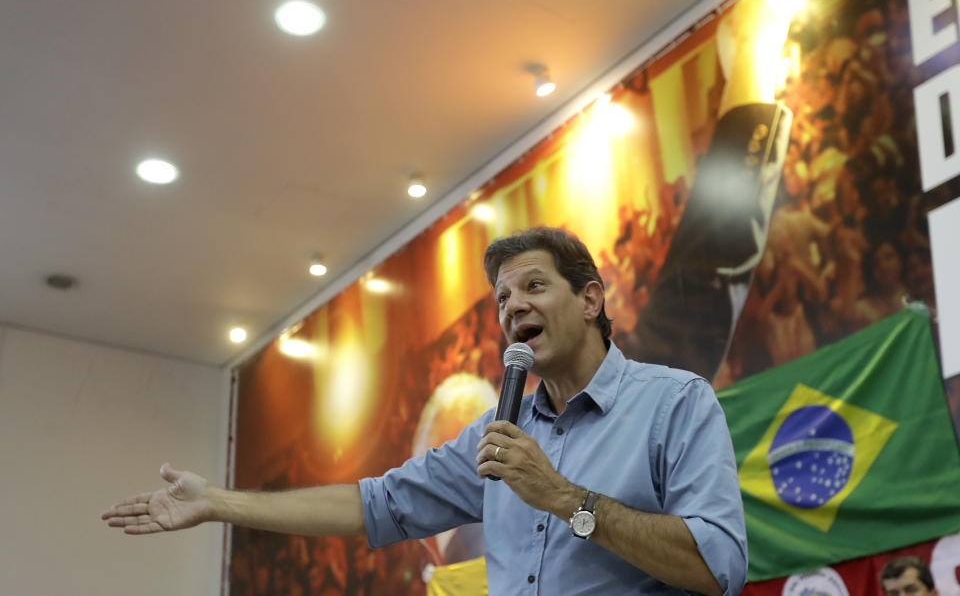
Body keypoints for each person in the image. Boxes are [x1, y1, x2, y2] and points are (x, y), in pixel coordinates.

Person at [104, 226, 746, 595]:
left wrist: (563, 497)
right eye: (501, 299)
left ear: (589, 300)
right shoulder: (497, 437)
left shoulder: (675, 403)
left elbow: (718, 567)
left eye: (534, 286)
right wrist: (220, 503)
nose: (512, 307)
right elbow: (372, 505)